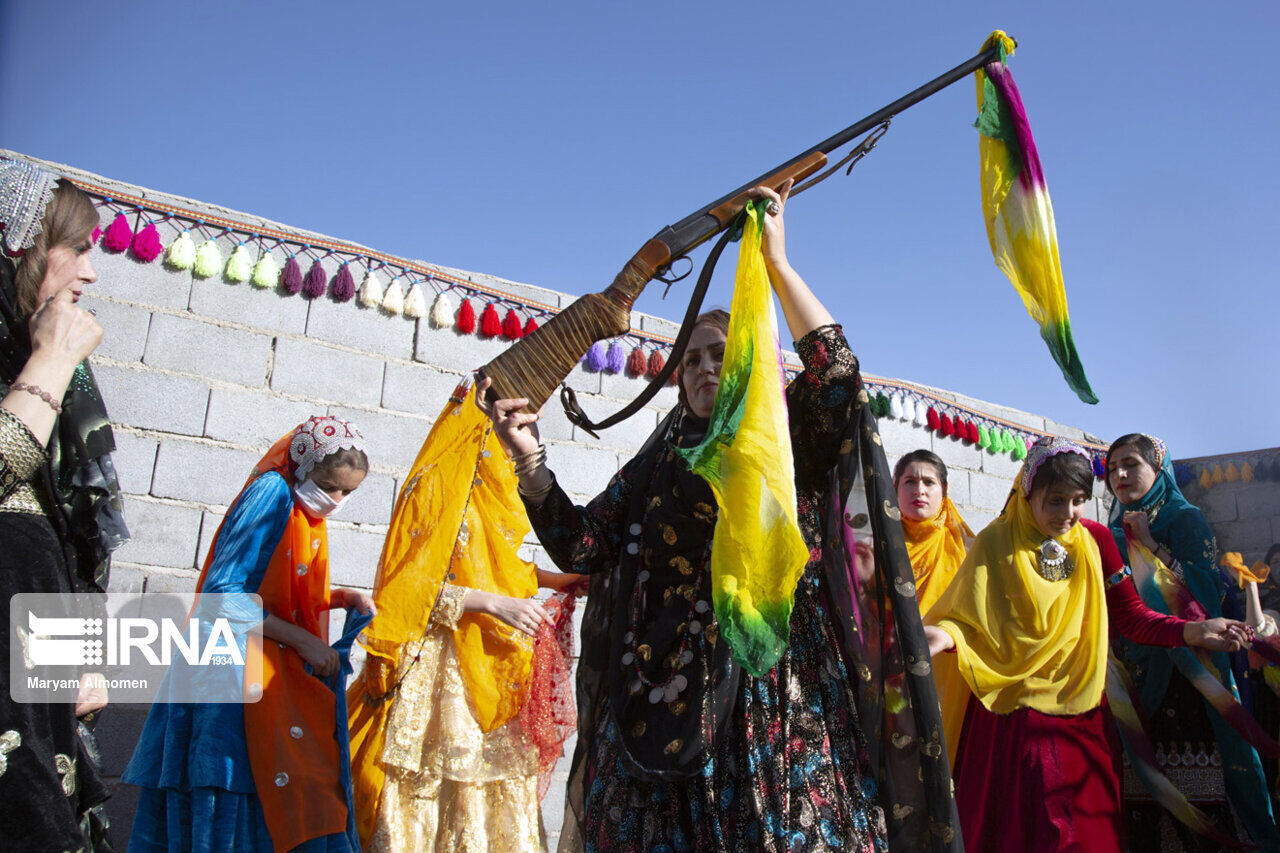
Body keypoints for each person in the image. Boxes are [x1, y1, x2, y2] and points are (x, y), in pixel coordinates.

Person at [480, 182, 958, 853]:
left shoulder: (784, 437)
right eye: (692, 359)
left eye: (719, 353)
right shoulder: (659, 460)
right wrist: (531, 462)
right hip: (659, 707)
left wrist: (777, 263)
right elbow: (585, 545)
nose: (705, 367)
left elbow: (840, 374)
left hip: (769, 700)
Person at [925, 436, 1250, 852]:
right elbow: (969, 618)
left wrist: (1191, 631)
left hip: (1082, 709)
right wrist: (942, 635)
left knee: (1084, 829)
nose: (1068, 514)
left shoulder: (1096, 540)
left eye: (1079, 500)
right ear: (1029, 492)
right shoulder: (997, 541)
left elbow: (1131, 615)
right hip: (1014, 715)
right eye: (1055, 501)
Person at [347, 378, 583, 853]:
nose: (512, 434)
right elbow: (407, 590)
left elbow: (491, 561)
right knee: (433, 785)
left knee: (494, 794)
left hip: (489, 662)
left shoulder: (495, 484)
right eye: (506, 423)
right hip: (440, 668)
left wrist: (554, 581)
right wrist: (494, 604)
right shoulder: (437, 482)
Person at [124, 416, 376, 852]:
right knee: (238, 787)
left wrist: (337, 597)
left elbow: (273, 586)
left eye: (347, 493)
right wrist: (303, 640)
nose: (335, 501)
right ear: (301, 467)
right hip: (231, 680)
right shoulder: (271, 493)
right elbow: (221, 593)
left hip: (262, 664)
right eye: (329, 486)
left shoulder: (302, 511)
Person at [1, 159, 128, 851]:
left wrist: (84, 655)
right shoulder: (39, 366)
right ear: (18, 245)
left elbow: (73, 542)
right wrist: (48, 364)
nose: (91, 271)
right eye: (77, 248)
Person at [1106, 434, 1280, 850]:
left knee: (1201, 782)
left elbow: (1206, 597)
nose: (1120, 475)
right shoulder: (1111, 530)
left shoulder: (1185, 520)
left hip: (1190, 674)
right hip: (1134, 670)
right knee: (1140, 788)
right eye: (1112, 468)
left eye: (1131, 464)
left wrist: (1150, 547)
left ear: (1157, 468)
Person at [893, 449, 973, 767]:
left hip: (949, 675)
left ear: (944, 490)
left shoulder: (968, 549)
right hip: (891, 670)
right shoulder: (875, 547)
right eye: (909, 481)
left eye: (929, 481)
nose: (920, 490)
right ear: (894, 488)